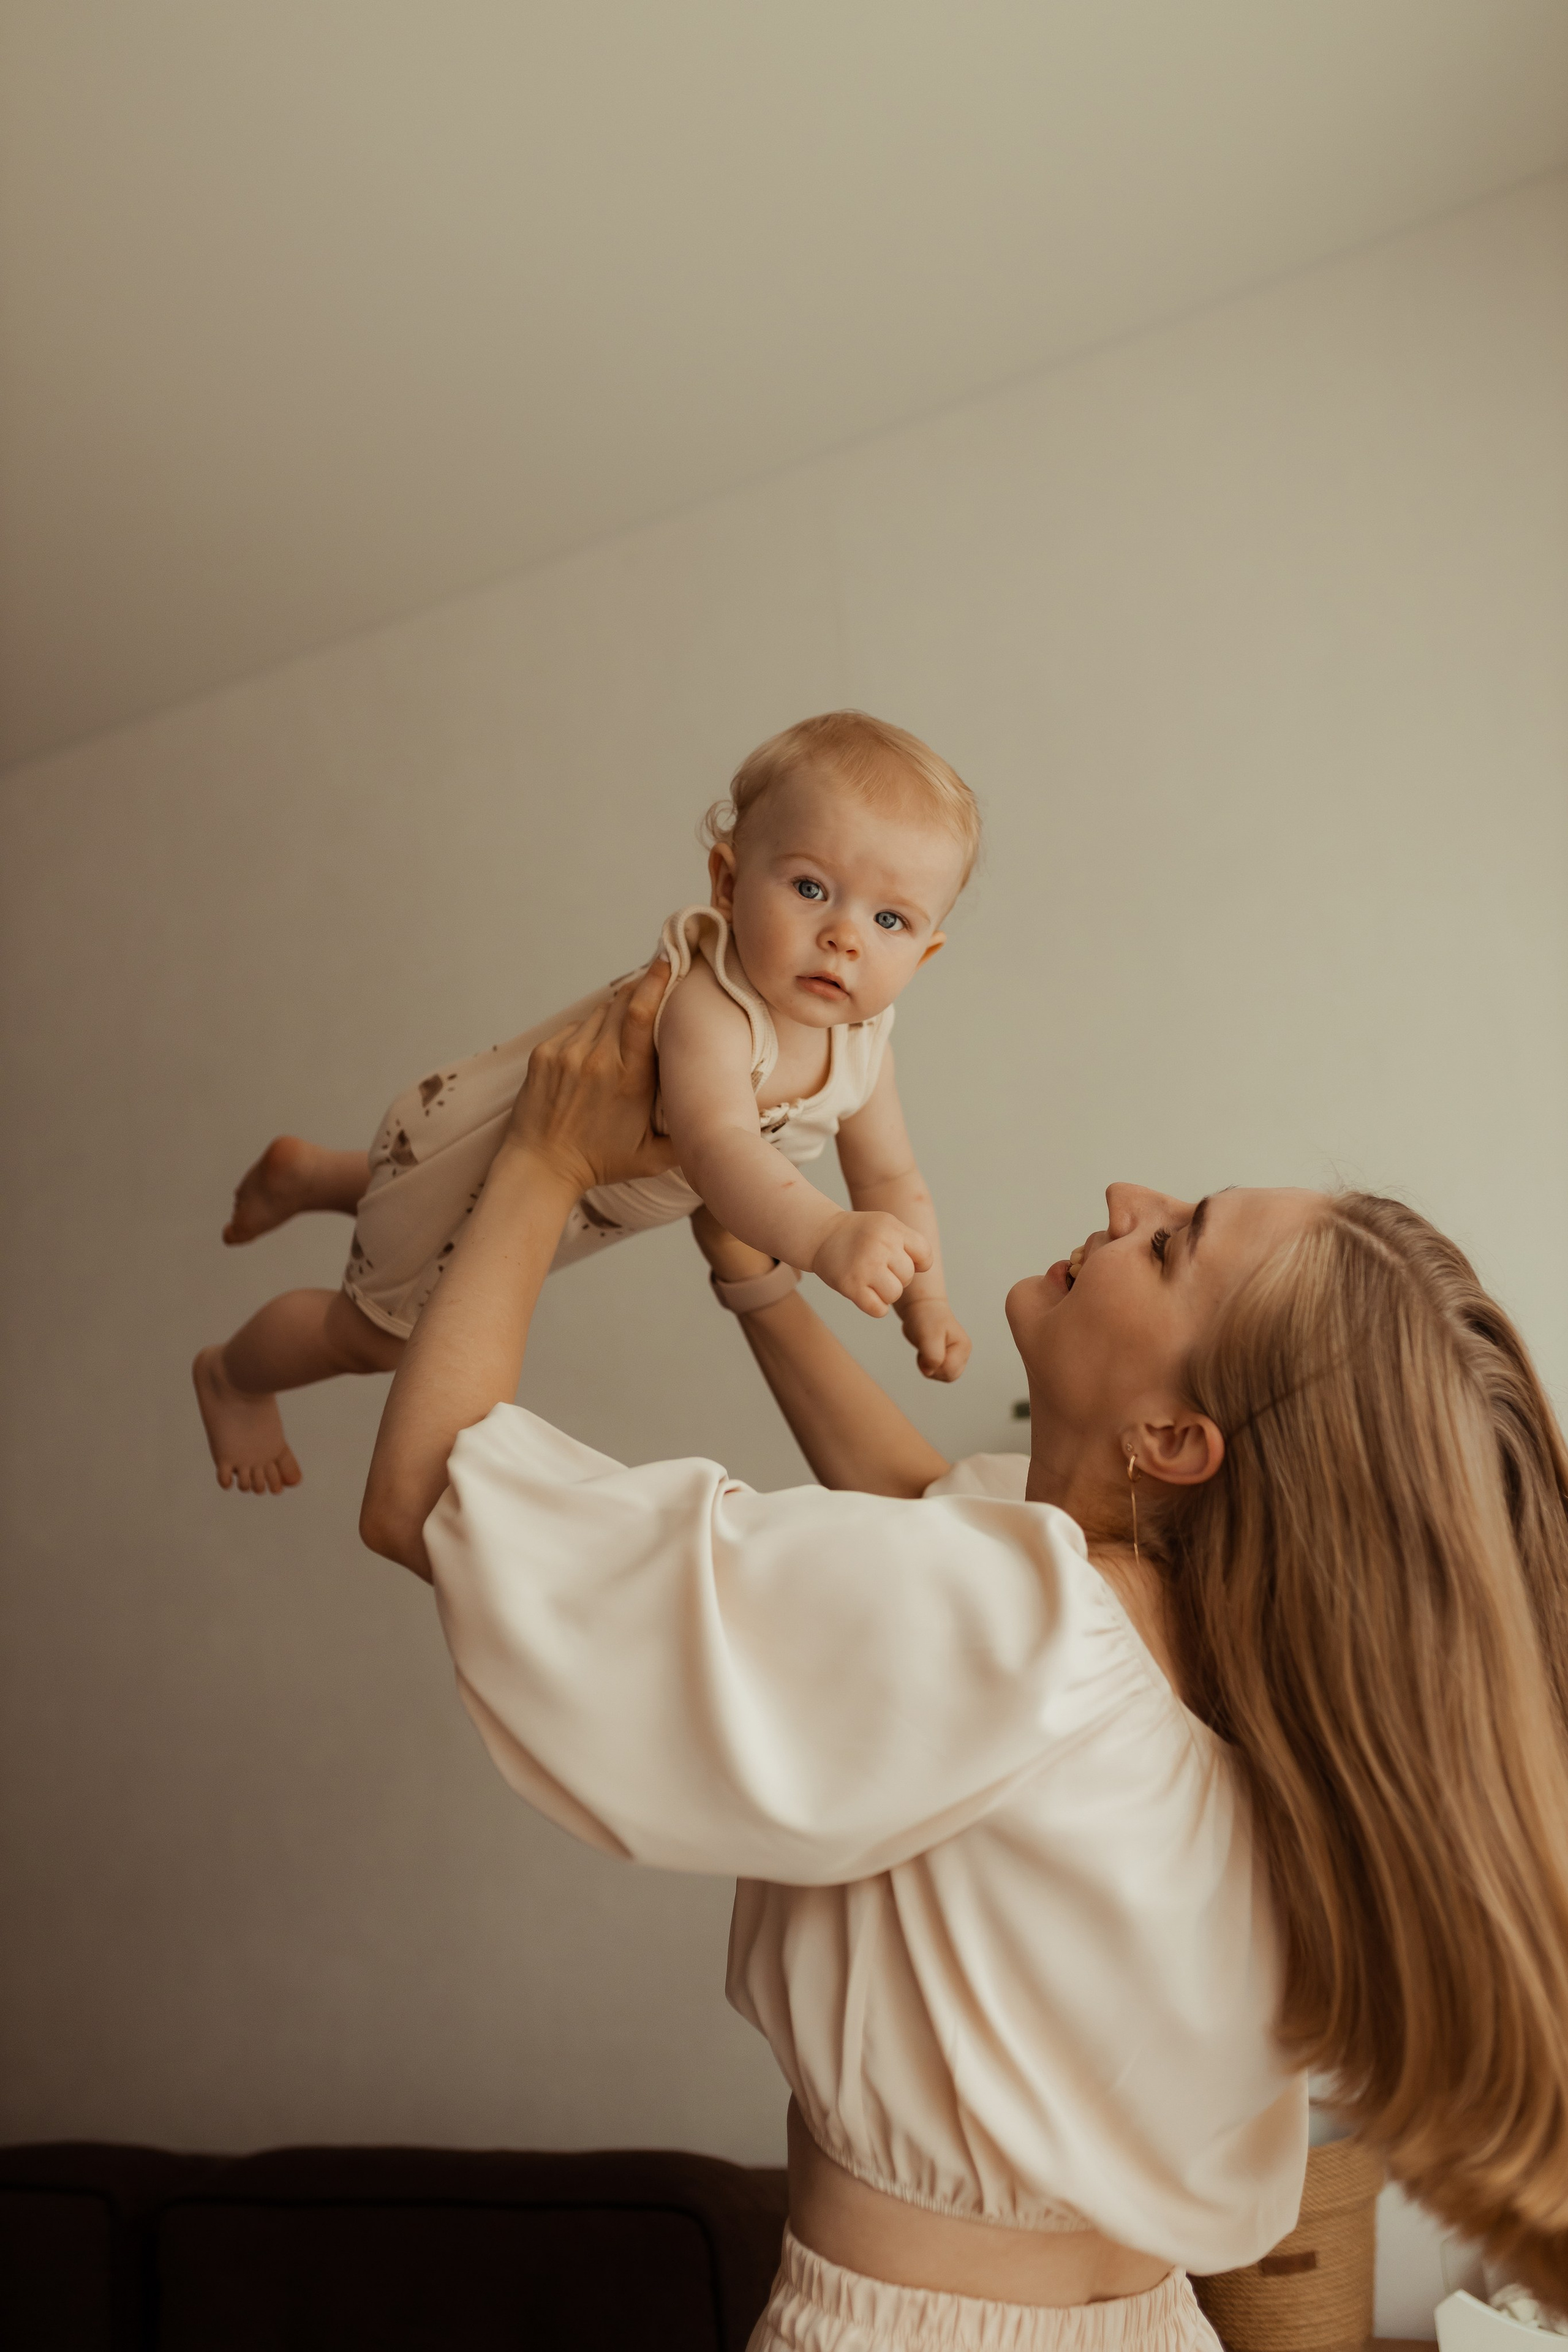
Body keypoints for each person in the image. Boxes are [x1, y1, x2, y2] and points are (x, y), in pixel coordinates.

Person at [360, 962, 1568, 2352]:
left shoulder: (1028, 1627)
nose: (1124, 1197)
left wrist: (543, 1155)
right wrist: (756, 1276)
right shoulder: (1238, 1660)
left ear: (1176, 1441)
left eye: (1171, 1244)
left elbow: (423, 1495)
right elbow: (924, 1506)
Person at [193, 710, 978, 1497]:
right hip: (488, 1159)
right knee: (375, 1337)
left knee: (403, 1202)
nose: (845, 935)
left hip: (554, 1192)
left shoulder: (865, 1042)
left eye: (889, 920)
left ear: (925, 952)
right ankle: (232, 1377)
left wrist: (927, 1296)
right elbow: (719, 1146)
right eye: (811, 888)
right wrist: (826, 1234)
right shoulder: (712, 1005)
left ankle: (314, 1176)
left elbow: (891, 1178)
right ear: (728, 883)